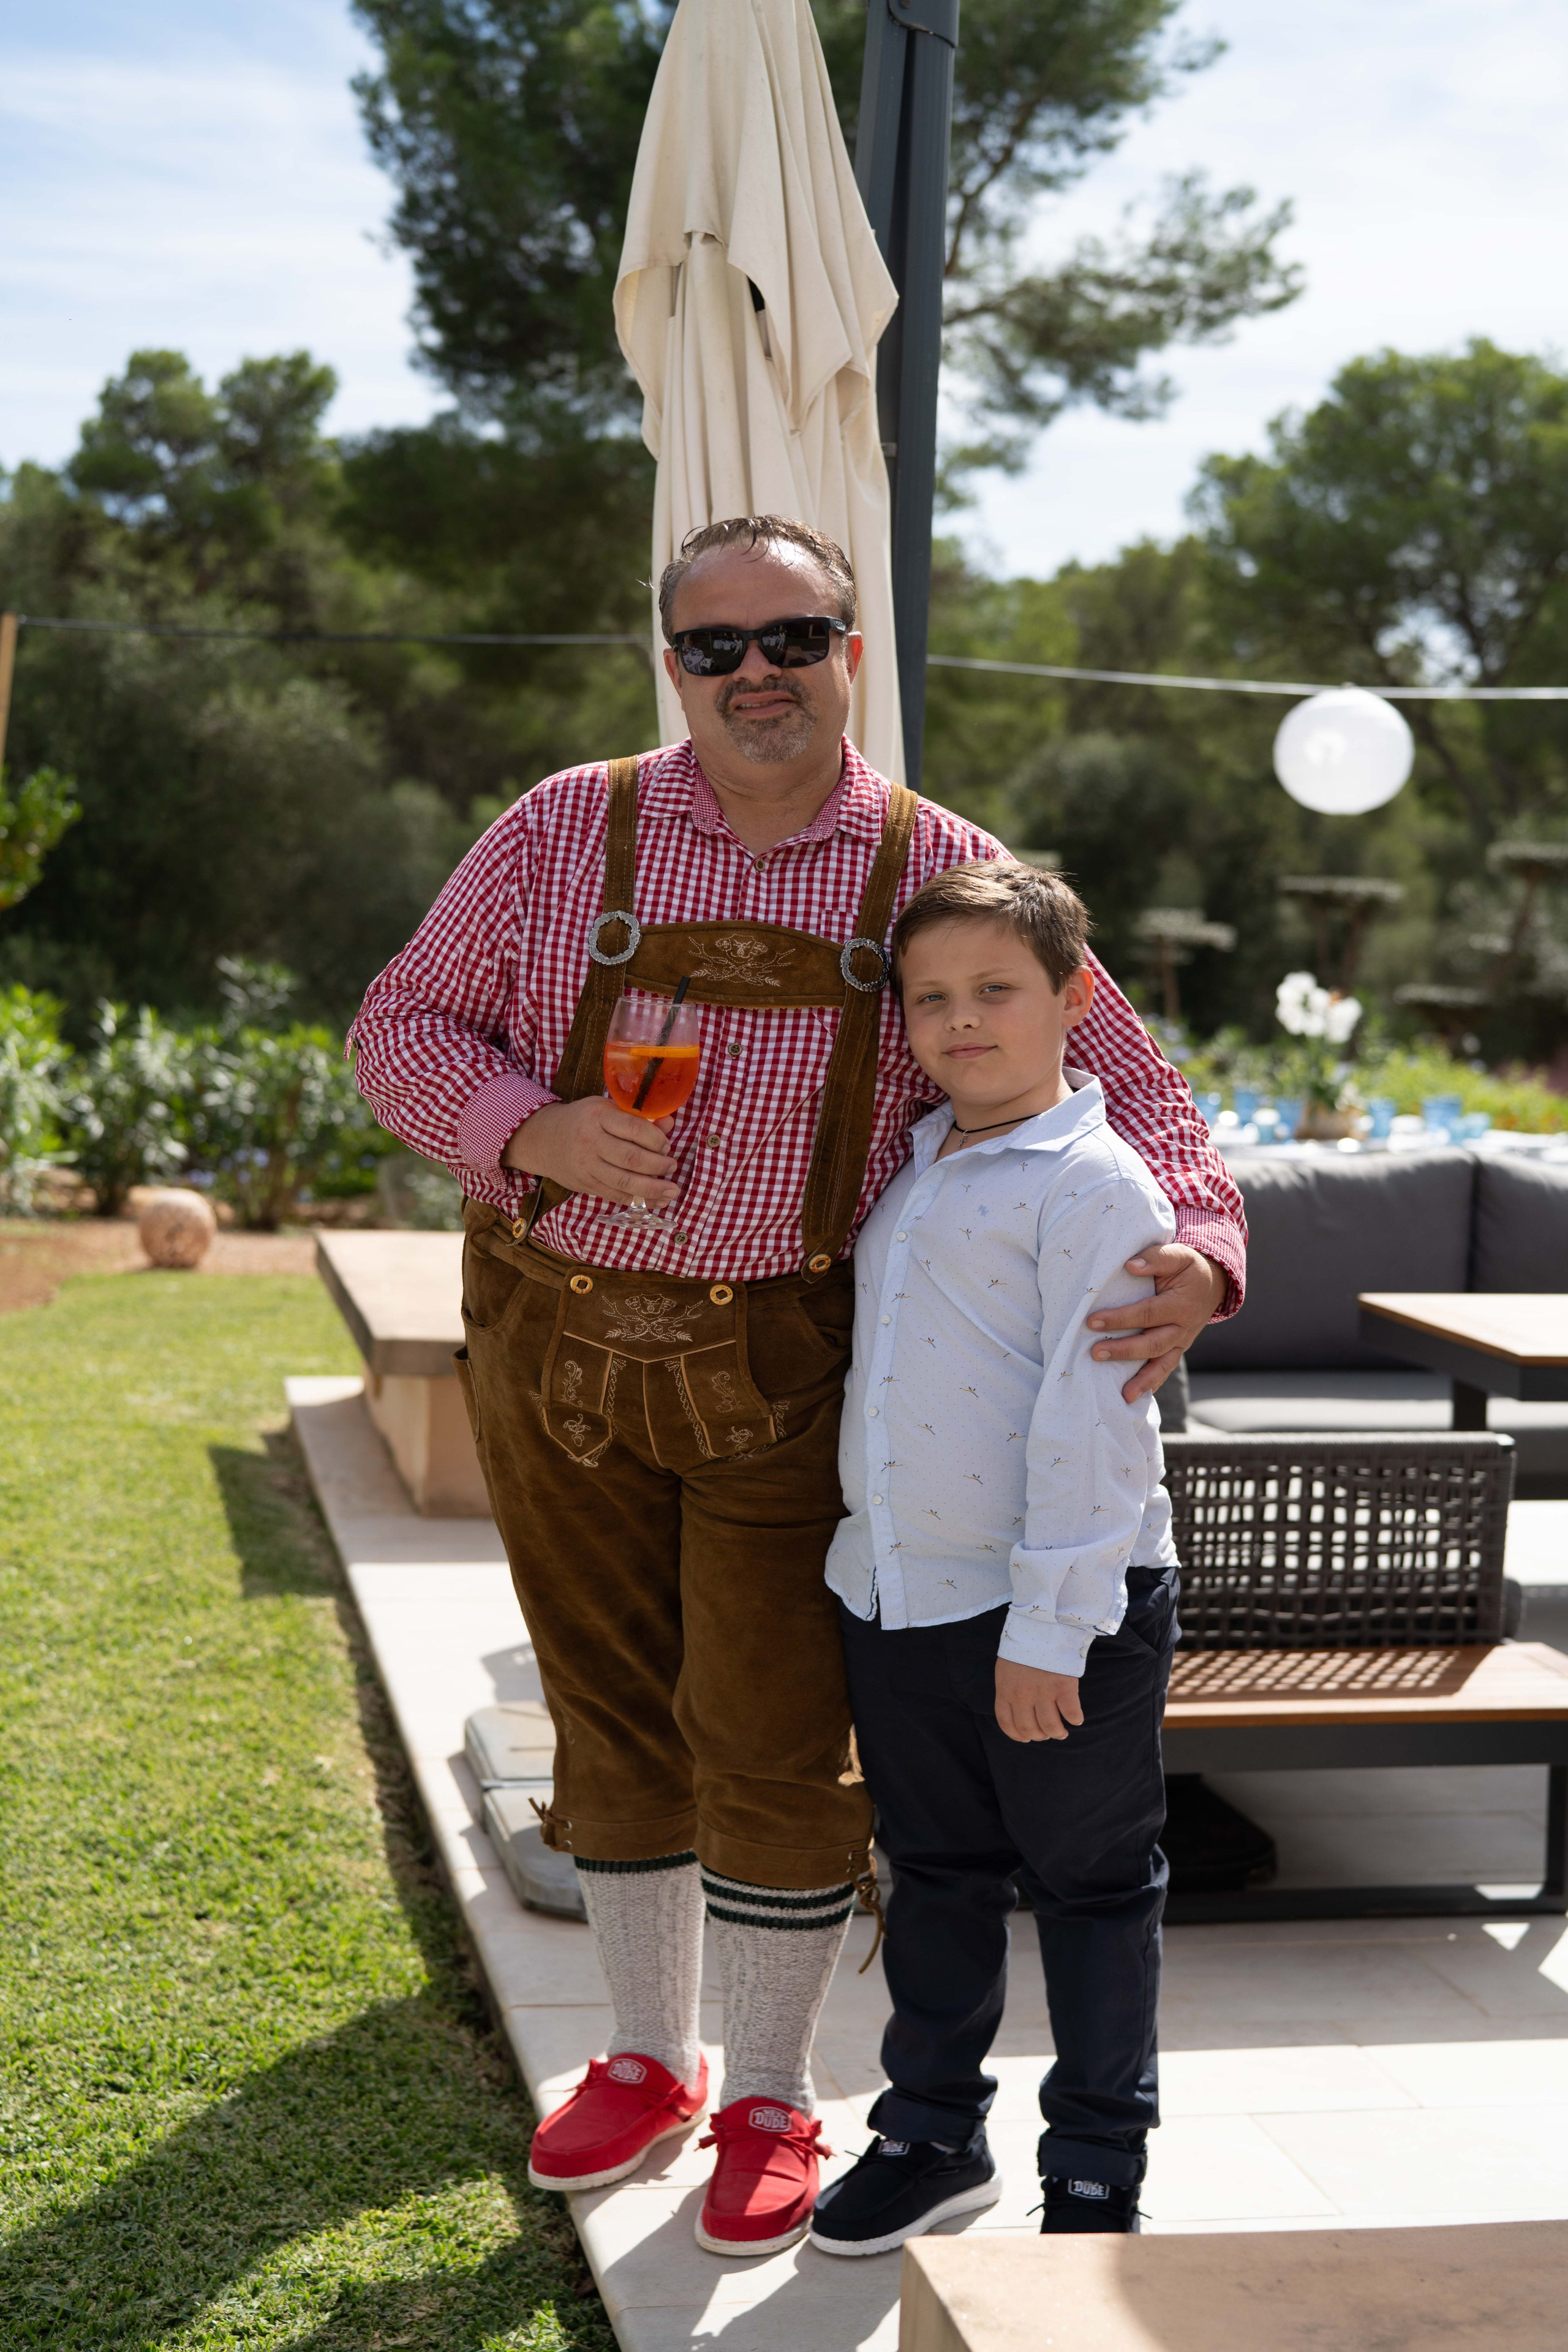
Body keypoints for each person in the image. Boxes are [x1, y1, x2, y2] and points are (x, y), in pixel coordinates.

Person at [349, 514, 1245, 2259]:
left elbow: (1134, 1079)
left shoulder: (933, 857)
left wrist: (1203, 1245)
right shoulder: (563, 826)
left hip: (789, 1356)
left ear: (853, 646)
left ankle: (767, 2093)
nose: (755, 672)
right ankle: (640, 2059)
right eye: (715, 645)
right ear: (669, 658)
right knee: (605, 1713)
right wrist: (528, 1126)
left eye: (794, 636)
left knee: (769, 1729)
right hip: (550, 1328)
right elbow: (401, 1028)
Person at [810, 859, 1180, 2257]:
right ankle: (928, 2135)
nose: (961, 1022)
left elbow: (1096, 1420)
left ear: (1073, 999)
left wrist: (1050, 1627)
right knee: (936, 1874)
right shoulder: (917, 1164)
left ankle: (1092, 2169)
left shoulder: (1092, 1184)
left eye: (995, 992)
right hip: (902, 1595)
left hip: (1054, 1612)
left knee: (1088, 1887)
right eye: (930, 999)